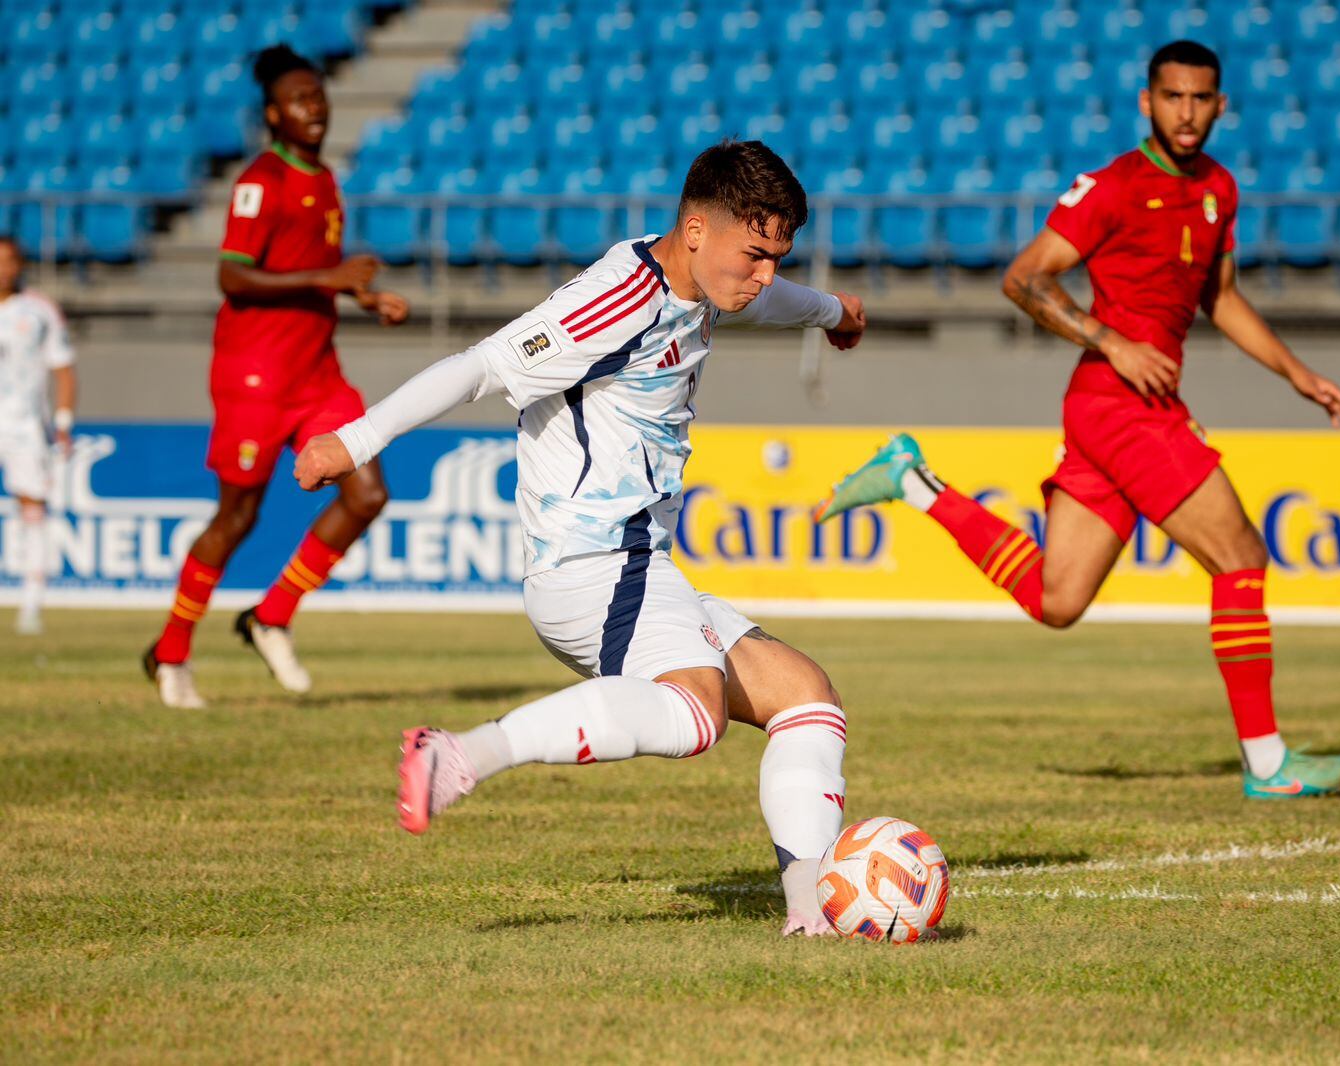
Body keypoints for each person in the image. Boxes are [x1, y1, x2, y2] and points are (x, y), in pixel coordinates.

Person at [294, 140, 868, 936]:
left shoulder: (706, 285)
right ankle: (460, 756)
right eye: (756, 254)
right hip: (590, 566)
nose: (765, 273)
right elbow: (478, 367)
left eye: (778, 258)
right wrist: (355, 441)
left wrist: (835, 313)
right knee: (695, 715)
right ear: (697, 229)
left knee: (805, 697)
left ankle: (811, 916)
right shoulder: (615, 300)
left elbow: (774, 301)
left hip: (638, 566)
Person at [814, 40, 1340, 800]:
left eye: (1200, 99)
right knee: (1240, 557)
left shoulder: (1218, 190)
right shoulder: (1113, 187)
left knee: (1058, 599)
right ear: (1147, 101)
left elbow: (1222, 299)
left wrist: (1300, 375)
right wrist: (1113, 339)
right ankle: (1268, 765)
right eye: (1172, 97)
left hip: (1120, 409)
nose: (1186, 112)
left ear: (1220, 105)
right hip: (1122, 403)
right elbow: (1024, 278)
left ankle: (914, 484)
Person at [144, 45, 409, 708]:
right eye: (299, 100)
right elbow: (232, 275)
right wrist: (329, 278)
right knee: (238, 516)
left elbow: (308, 264)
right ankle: (171, 652)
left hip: (317, 371)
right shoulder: (261, 180)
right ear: (272, 114)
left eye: (318, 97)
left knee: (368, 493)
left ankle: (270, 615)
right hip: (255, 373)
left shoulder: (322, 178)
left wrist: (365, 297)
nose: (314, 108)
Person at [0, 236, 77, 636]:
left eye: (8, 261)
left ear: (20, 264)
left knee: (32, 505)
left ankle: (31, 602)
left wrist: (62, 422)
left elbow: (62, 368)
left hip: (23, 423)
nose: (2, 269)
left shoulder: (39, 310)